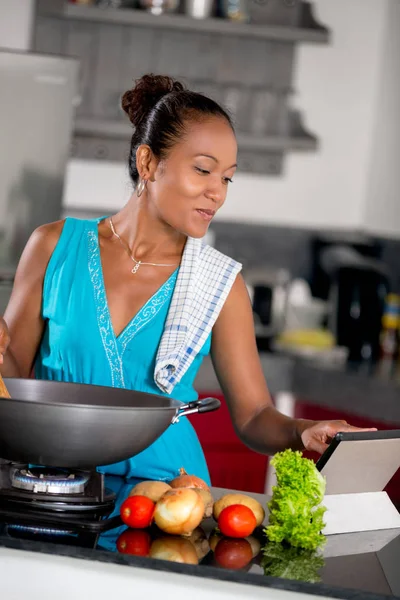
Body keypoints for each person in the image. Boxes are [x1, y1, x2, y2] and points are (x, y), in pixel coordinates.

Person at [0, 74, 374, 485]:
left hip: (169, 494)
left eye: (227, 178)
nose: (218, 192)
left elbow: (253, 417)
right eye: (203, 170)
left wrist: (301, 430)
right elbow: (13, 379)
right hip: (53, 486)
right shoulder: (53, 247)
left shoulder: (220, 283)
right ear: (148, 163)